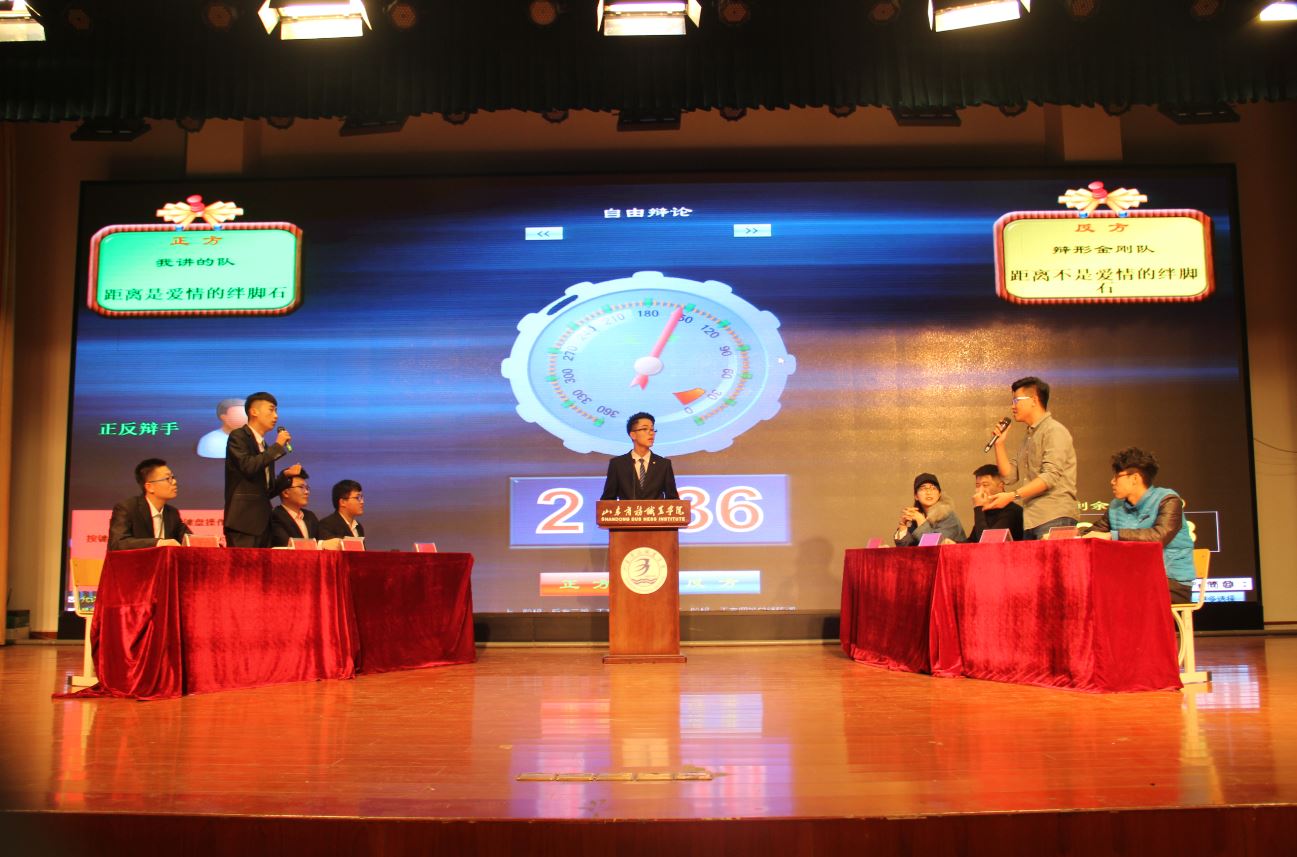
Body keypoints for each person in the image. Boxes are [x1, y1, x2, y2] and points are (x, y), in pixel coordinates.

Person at [1083, 447, 1196, 603]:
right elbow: (1093, 533)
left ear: (1135, 478)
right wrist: (1069, 536)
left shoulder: (1168, 500)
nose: (1112, 481)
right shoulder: (1116, 506)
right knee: (1090, 592)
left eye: (1117, 476)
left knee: (1118, 596)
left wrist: (1112, 536)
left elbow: (1158, 537)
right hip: (1132, 580)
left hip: (1170, 582)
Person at [983, 376, 1079, 540]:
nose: (1012, 406)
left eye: (1016, 400)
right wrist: (999, 444)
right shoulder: (1028, 437)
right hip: (1032, 519)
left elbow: (1050, 477)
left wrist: (1012, 496)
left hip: (1055, 516)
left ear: (1034, 400)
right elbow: (1009, 476)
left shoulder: (1054, 431)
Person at [223, 391, 300, 548]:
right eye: (271, 410)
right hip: (243, 523)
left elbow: (266, 492)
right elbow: (248, 466)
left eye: (276, 411)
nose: (276, 416)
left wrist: (284, 476)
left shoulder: (265, 446)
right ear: (254, 411)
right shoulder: (239, 436)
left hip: (263, 523)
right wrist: (277, 446)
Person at [108, 458, 192, 551]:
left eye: (173, 477)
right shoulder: (127, 508)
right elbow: (118, 543)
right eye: (168, 479)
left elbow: (189, 540)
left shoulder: (172, 513)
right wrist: (159, 543)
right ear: (150, 487)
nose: (174, 482)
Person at [600, 412, 679, 501]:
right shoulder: (617, 464)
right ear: (633, 435)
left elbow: (673, 499)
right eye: (645, 429)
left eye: (652, 429)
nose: (651, 433)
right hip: (628, 510)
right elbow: (608, 500)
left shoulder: (663, 464)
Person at [893, 473, 967, 546]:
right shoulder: (917, 516)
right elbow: (906, 549)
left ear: (939, 494)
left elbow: (934, 545)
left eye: (933, 488)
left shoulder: (948, 516)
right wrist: (903, 525)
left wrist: (920, 520)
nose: (928, 492)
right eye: (923, 489)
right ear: (916, 496)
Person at [968, 463, 1025, 542]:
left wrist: (978, 508)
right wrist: (954, 543)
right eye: (977, 485)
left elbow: (988, 542)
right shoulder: (986, 510)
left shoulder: (1012, 511)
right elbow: (972, 541)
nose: (980, 491)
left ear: (1001, 485)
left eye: (985, 485)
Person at [269, 468, 322, 547]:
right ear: (285, 493)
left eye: (307, 488)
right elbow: (287, 544)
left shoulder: (310, 516)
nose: (307, 492)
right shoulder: (274, 516)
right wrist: (321, 544)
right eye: (301, 487)